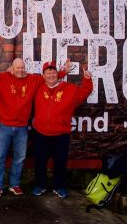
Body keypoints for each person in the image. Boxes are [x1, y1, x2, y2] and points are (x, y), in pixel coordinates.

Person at [0, 58, 69, 197]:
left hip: (22, 128)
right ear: (11, 68)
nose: (20, 70)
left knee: (19, 158)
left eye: (22, 67)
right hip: (4, 126)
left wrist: (64, 72)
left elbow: (49, 78)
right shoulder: (2, 78)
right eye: (17, 68)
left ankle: (14, 185)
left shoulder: (33, 80)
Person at [31, 61, 93, 198]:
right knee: (40, 161)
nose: (51, 74)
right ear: (44, 75)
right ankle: (40, 185)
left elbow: (84, 92)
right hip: (41, 133)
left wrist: (87, 79)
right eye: (48, 72)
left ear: (57, 74)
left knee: (60, 162)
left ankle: (59, 186)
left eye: (53, 72)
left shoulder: (69, 89)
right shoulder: (38, 87)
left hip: (61, 134)